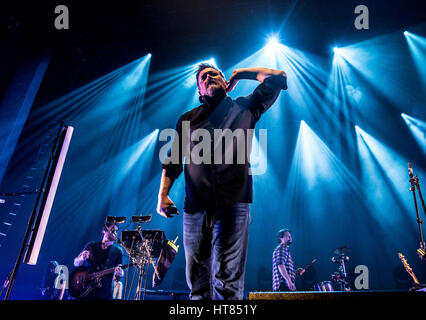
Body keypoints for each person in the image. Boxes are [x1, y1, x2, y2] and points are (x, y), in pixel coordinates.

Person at [156, 63, 287, 300]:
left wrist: (243, 73)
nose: (210, 77)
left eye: (215, 73)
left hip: (233, 206)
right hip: (195, 209)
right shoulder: (187, 119)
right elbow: (173, 161)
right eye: (204, 77)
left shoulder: (245, 107)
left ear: (226, 82)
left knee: (226, 282)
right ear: (199, 89)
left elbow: (278, 78)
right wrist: (162, 195)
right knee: (197, 282)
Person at [73, 222, 123, 300]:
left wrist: (120, 273)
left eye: (116, 231)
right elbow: (75, 263)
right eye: (112, 230)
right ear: (104, 230)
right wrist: (81, 258)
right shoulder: (92, 245)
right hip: (85, 289)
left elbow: (118, 274)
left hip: (104, 293)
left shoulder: (118, 251)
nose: (115, 233)